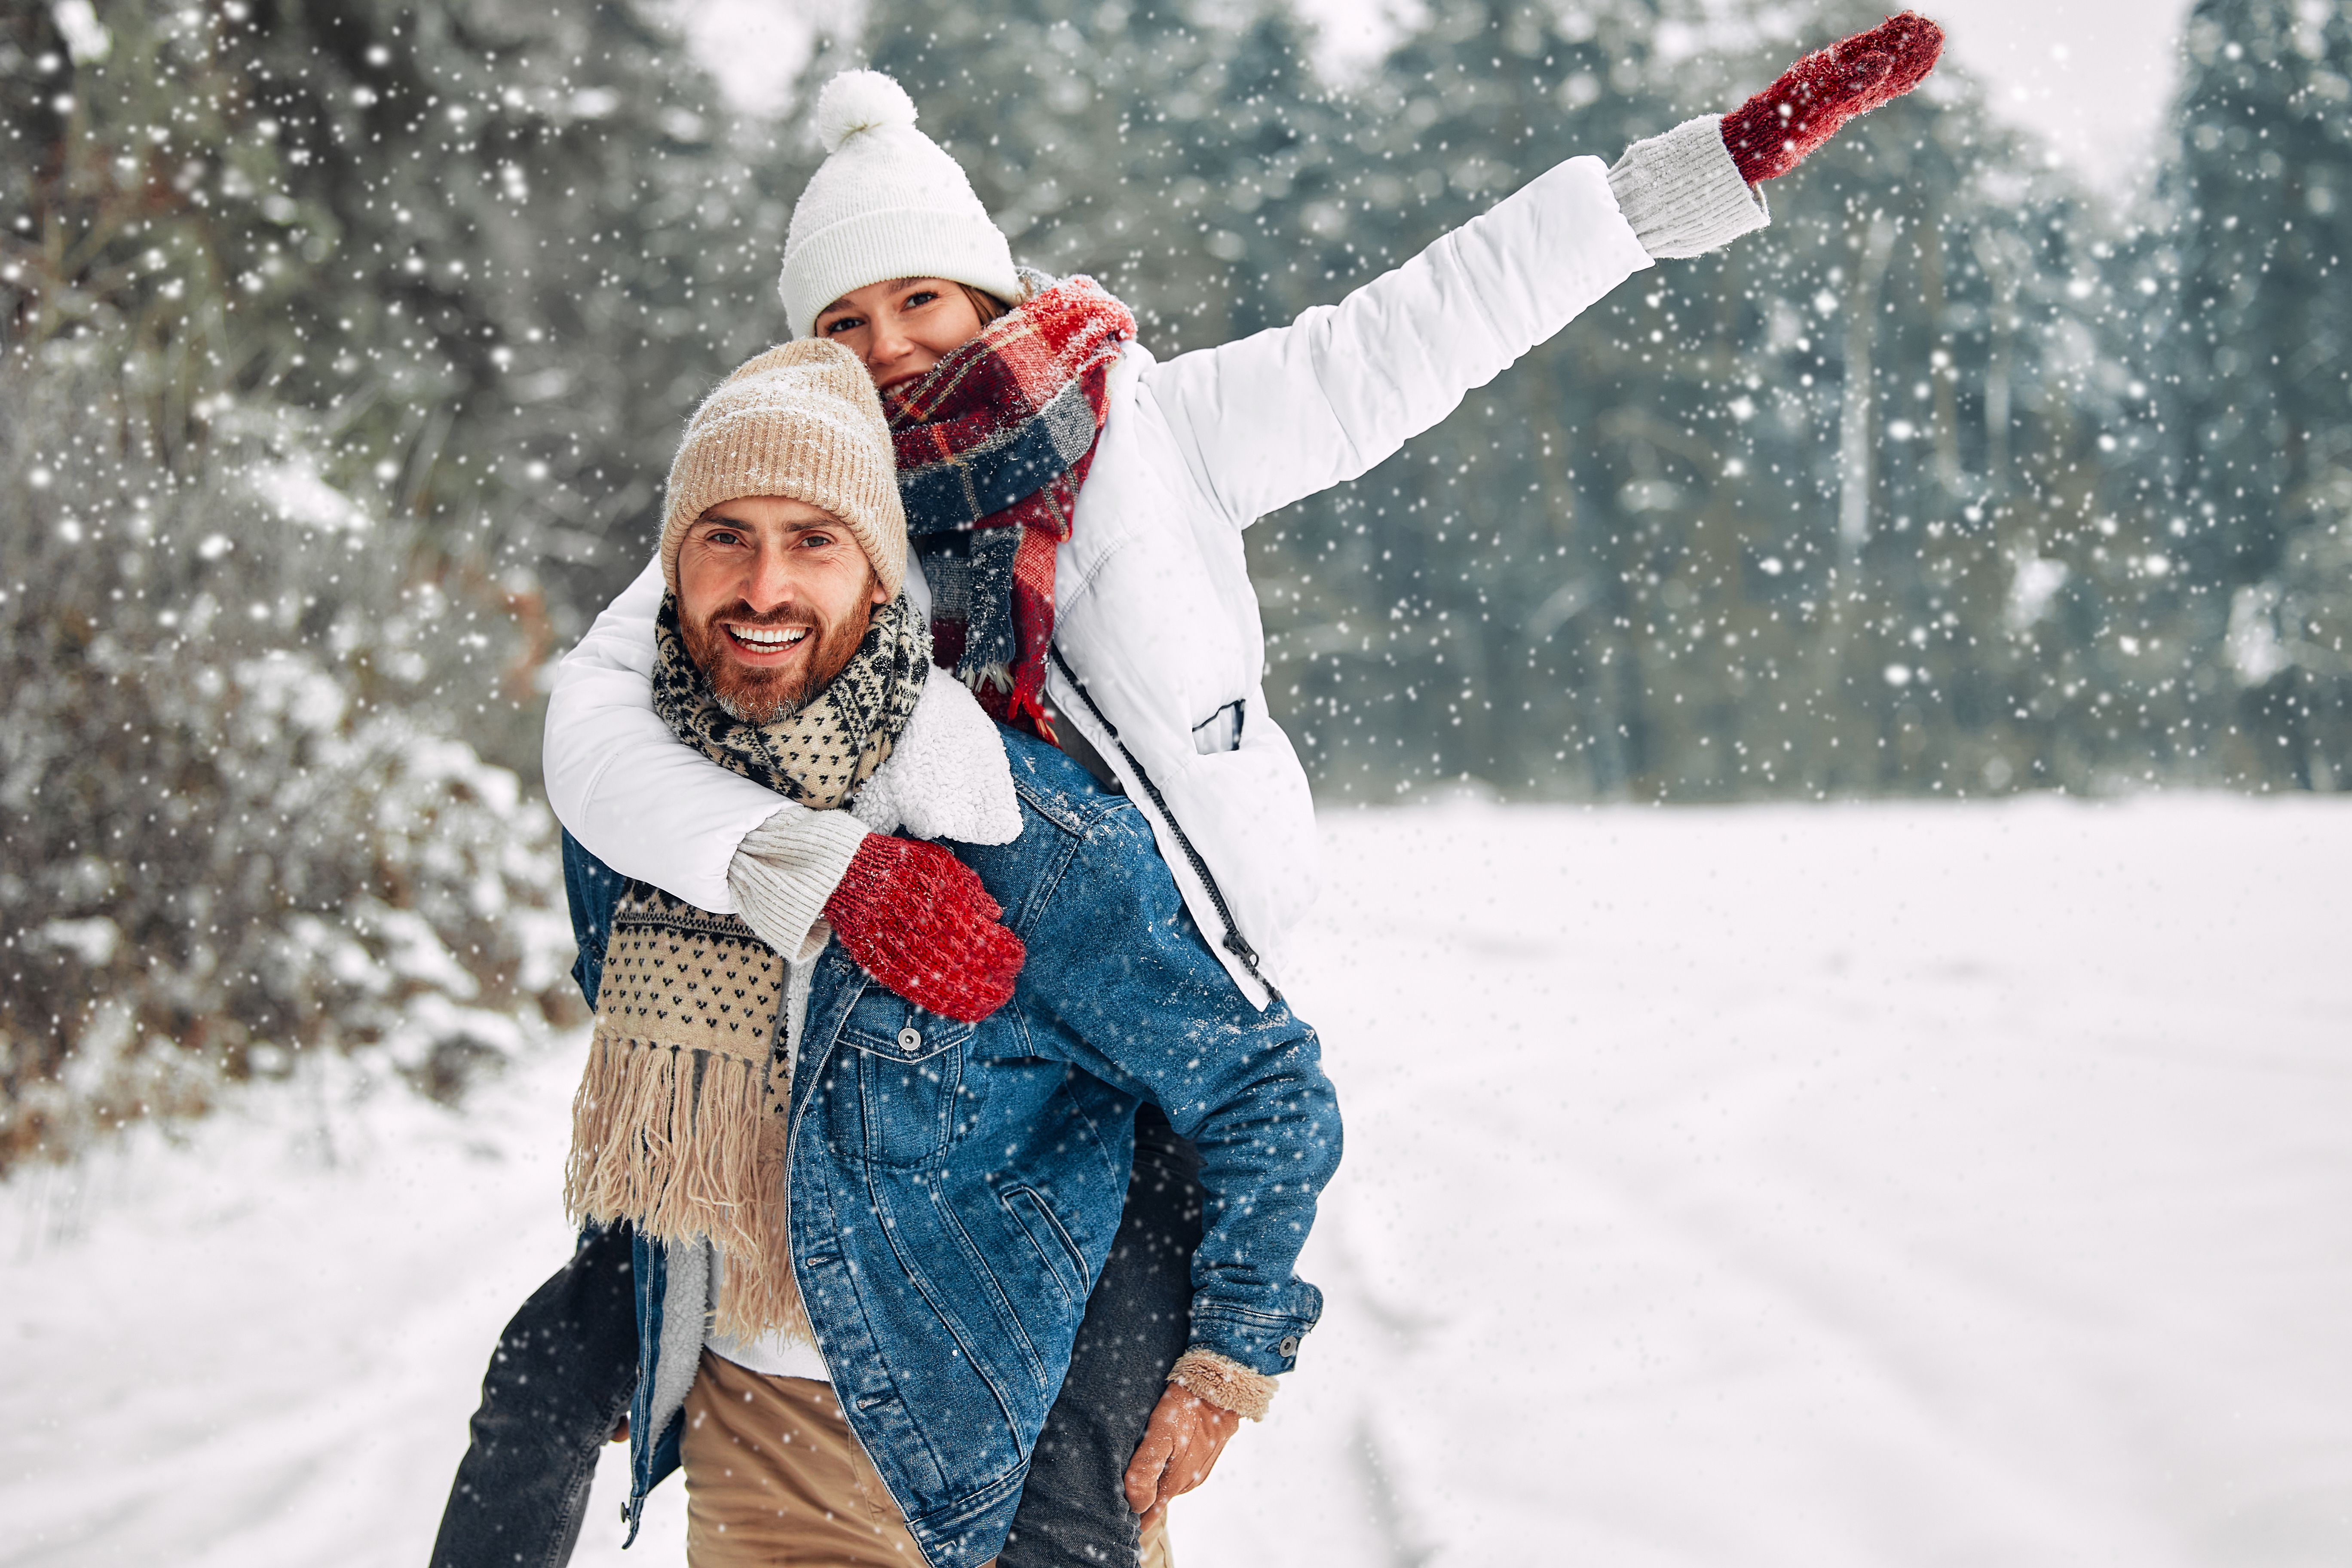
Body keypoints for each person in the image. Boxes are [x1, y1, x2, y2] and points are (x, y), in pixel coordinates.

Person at [435, 15, 1944, 1565]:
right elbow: (601, 731)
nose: (889, 347)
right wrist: (815, 869)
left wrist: (1674, 190)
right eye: (848, 319)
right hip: (951, 1029)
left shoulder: (1155, 437)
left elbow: (1409, 336)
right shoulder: (790, 505)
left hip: (1148, 1003)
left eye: (921, 300)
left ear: (991, 293)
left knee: (1068, 1507)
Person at [515, 337, 1337, 1567]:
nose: (764, 586)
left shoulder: (1023, 836)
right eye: (724, 537)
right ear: (672, 568)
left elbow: (1264, 1085)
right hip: (759, 1445)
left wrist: (1231, 1355)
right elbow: (662, 1105)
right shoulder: (638, 821)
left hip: (1003, 1445)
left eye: (814, 541)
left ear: (880, 574)